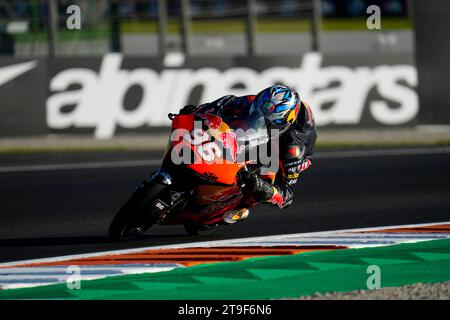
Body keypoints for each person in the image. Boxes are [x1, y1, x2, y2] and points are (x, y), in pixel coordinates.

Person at [179, 85, 317, 224]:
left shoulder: (293, 148)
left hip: (282, 149)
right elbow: (223, 105)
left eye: (265, 121)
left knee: (258, 184)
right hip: (265, 131)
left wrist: (267, 190)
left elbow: (287, 197)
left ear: (283, 123)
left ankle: (238, 208)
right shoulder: (253, 102)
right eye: (257, 113)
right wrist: (197, 111)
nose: (258, 119)